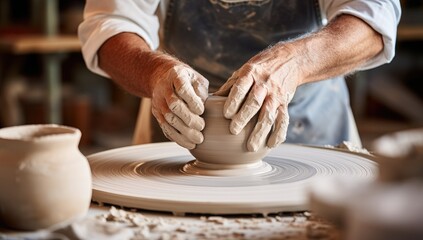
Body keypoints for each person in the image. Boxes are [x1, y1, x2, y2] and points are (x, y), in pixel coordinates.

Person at [78, 0, 401, 151]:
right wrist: (155, 72)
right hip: (179, 139)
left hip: (314, 135)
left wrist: (292, 63)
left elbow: (373, 19)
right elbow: (109, 25)